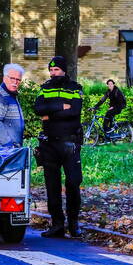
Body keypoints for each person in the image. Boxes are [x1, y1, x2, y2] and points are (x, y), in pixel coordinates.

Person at [33, 56, 85, 238]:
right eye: (51, 70)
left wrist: (50, 113)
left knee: (73, 182)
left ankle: (73, 223)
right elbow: (38, 109)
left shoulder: (75, 88)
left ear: (63, 70)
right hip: (49, 144)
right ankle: (57, 224)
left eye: (56, 70)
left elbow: (75, 112)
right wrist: (60, 107)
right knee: (52, 186)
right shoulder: (44, 88)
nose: (53, 73)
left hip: (70, 144)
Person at [0, 64, 25, 146]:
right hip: (0, 148)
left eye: (18, 79)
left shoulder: (11, 95)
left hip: (8, 148)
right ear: (4, 78)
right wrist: (9, 144)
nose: (15, 82)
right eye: (12, 78)